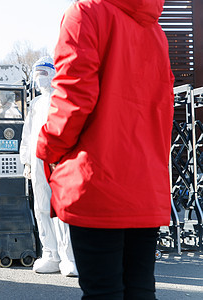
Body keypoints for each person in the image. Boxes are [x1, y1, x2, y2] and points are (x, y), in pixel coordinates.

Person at [37, 0, 174, 299]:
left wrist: (47, 148)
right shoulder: (154, 28)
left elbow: (73, 99)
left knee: (103, 292)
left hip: (97, 180)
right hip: (145, 184)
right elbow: (163, 108)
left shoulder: (85, 13)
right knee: (139, 290)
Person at [20, 56, 77, 276]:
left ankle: (68, 257)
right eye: (37, 75)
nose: (39, 79)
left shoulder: (63, 100)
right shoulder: (35, 104)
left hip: (57, 161)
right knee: (41, 207)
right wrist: (26, 161)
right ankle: (50, 253)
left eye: (43, 74)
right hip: (36, 162)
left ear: (53, 74)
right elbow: (27, 134)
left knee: (60, 209)